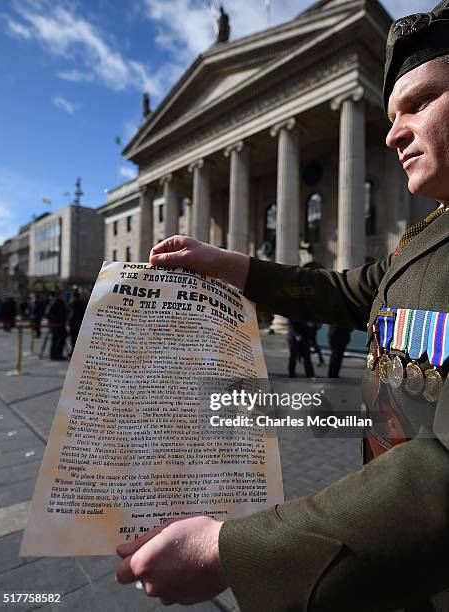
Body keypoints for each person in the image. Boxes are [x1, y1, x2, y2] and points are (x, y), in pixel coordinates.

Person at [115, 3, 449, 609]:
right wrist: (234, 265)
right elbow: (349, 290)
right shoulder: (429, 234)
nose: (393, 131)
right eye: (391, 112)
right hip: (407, 560)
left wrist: (231, 549)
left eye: (420, 103)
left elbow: (441, 473)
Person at [47, 291, 67, 360]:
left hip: (62, 325)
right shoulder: (54, 303)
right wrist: (54, 321)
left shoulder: (62, 303)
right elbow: (49, 314)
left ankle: (59, 354)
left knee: (62, 340)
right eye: (61, 294)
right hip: (56, 325)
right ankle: (53, 355)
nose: (62, 296)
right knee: (55, 340)